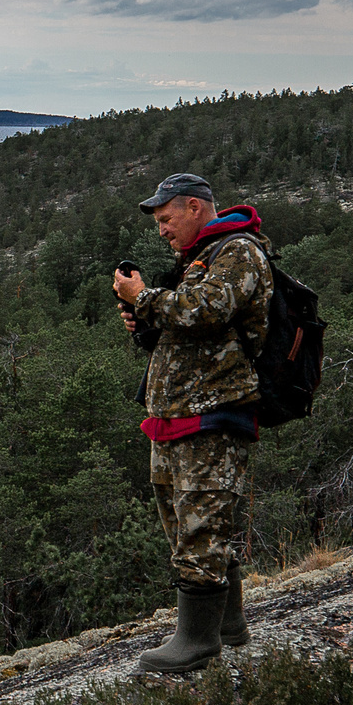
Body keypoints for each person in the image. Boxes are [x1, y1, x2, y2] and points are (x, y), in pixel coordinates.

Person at [112, 173, 272, 672]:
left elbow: (207, 310)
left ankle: (197, 642)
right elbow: (188, 330)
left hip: (213, 415)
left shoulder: (239, 251)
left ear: (194, 207)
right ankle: (227, 624)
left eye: (165, 219)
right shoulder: (201, 259)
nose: (161, 230)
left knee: (201, 524)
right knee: (186, 524)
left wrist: (144, 298)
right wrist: (146, 325)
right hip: (179, 417)